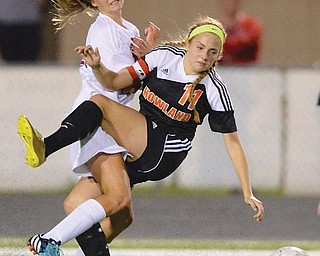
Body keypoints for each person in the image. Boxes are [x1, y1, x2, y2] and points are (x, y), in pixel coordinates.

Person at [18, 15, 264, 256]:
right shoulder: (163, 56)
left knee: (100, 105)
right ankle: (70, 247)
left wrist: (247, 191)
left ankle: (45, 155)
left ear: (218, 56)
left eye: (212, 52)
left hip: (166, 149)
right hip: (142, 139)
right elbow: (114, 82)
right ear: (188, 43)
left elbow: (233, 142)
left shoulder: (213, 87)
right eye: (200, 47)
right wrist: (97, 66)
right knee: (83, 204)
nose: (204, 55)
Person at [23, 1, 159, 256]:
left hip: (110, 123)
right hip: (96, 124)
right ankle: (49, 241)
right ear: (94, 2)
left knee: (118, 215)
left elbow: (134, 78)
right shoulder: (102, 30)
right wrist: (150, 59)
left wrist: (149, 55)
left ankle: (58, 245)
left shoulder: (129, 29)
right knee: (118, 199)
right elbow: (119, 82)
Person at [217, 0, 263, 65]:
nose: (229, 4)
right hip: (222, 70)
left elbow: (247, 45)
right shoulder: (215, 26)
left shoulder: (251, 25)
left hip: (246, 69)